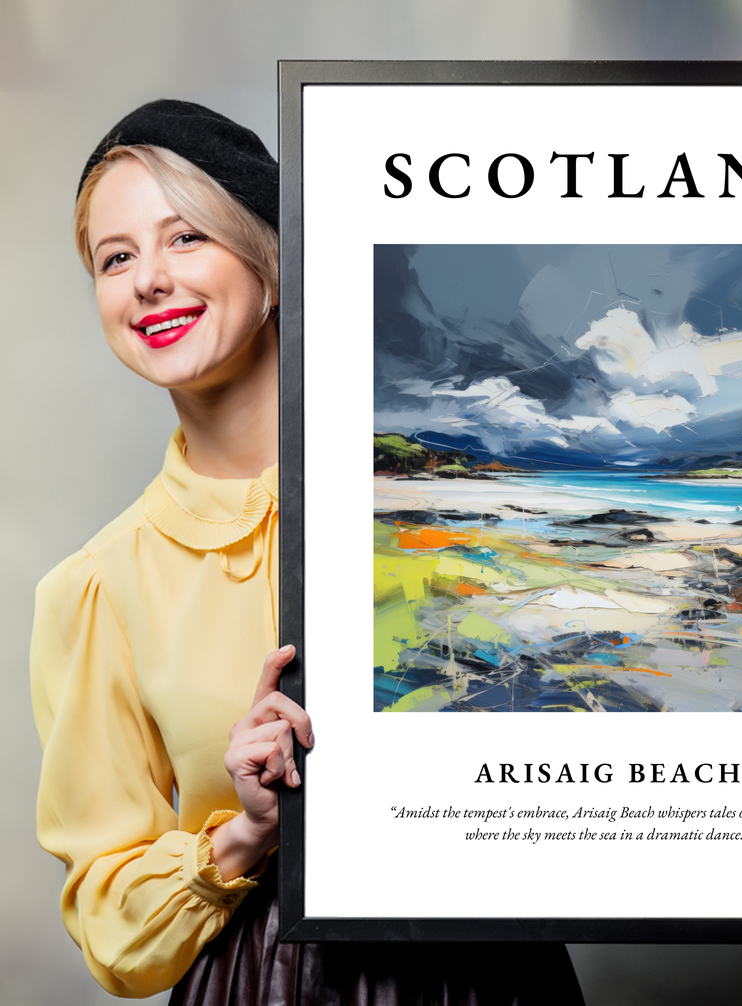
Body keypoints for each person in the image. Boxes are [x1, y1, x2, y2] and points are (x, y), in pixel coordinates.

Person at [30, 100, 586, 1004]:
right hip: (262, 982)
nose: (148, 281)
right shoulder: (97, 587)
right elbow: (110, 923)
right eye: (116, 257)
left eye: (185, 239)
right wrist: (245, 832)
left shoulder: (458, 499)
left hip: (492, 973)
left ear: (273, 263)